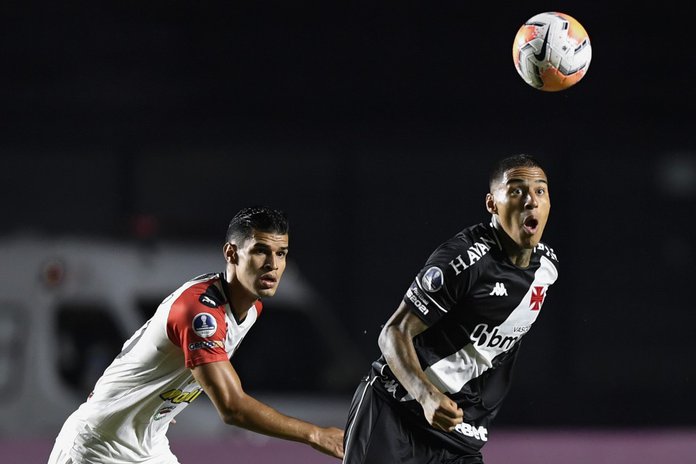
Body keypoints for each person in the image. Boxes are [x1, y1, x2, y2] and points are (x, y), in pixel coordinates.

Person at [48, 206, 344, 463]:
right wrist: (315, 434)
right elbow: (232, 408)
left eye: (281, 253)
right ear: (231, 253)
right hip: (96, 449)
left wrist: (157, 404)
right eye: (260, 251)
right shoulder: (200, 312)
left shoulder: (250, 310)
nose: (273, 265)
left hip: (147, 448)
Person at [342, 154, 559, 464]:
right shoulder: (464, 260)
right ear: (491, 204)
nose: (530, 201)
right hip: (396, 413)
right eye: (516, 191)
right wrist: (426, 395)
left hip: (459, 432)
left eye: (540, 191)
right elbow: (393, 332)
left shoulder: (548, 268)